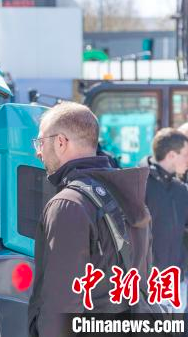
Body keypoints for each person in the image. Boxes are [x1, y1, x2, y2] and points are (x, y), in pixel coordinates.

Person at [28, 102, 152, 337]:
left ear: (60, 142)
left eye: (40, 142)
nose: (38, 152)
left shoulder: (68, 204)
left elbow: (61, 305)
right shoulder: (129, 192)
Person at [142, 128, 188, 312]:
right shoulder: (139, 184)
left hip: (177, 281)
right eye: (186, 155)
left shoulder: (181, 189)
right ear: (171, 155)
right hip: (148, 284)